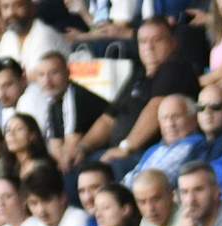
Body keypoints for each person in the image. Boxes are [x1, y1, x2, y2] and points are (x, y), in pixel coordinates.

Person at [77, 18, 199, 171]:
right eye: (143, 41)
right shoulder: (139, 74)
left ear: (173, 43)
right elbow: (108, 118)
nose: (149, 47)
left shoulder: (175, 68)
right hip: (117, 151)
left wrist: (126, 147)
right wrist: (83, 147)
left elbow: (156, 107)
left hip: (146, 154)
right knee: (75, 167)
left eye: (157, 40)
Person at [18, 52, 108, 171]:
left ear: (67, 72)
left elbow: (72, 146)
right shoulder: (53, 101)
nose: (47, 81)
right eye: (41, 75)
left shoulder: (75, 95)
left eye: (54, 73)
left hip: (100, 153)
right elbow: (55, 147)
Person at [122, 96, 205, 188]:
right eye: (165, 118)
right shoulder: (154, 149)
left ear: (193, 120)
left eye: (176, 117)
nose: (170, 124)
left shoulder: (193, 144)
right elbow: (132, 175)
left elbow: (158, 180)